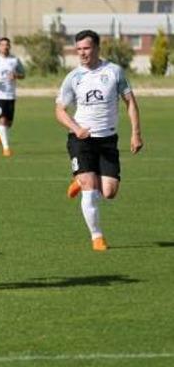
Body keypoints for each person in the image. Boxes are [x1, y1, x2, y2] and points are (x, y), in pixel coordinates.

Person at [56, 30, 142, 251]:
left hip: (108, 140)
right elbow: (60, 110)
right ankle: (97, 237)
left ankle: (80, 180)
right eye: (79, 49)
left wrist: (136, 133)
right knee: (90, 188)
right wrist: (76, 128)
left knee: (110, 192)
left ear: (96, 48)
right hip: (81, 140)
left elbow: (130, 102)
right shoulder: (73, 77)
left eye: (86, 48)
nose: (82, 53)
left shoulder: (114, 72)